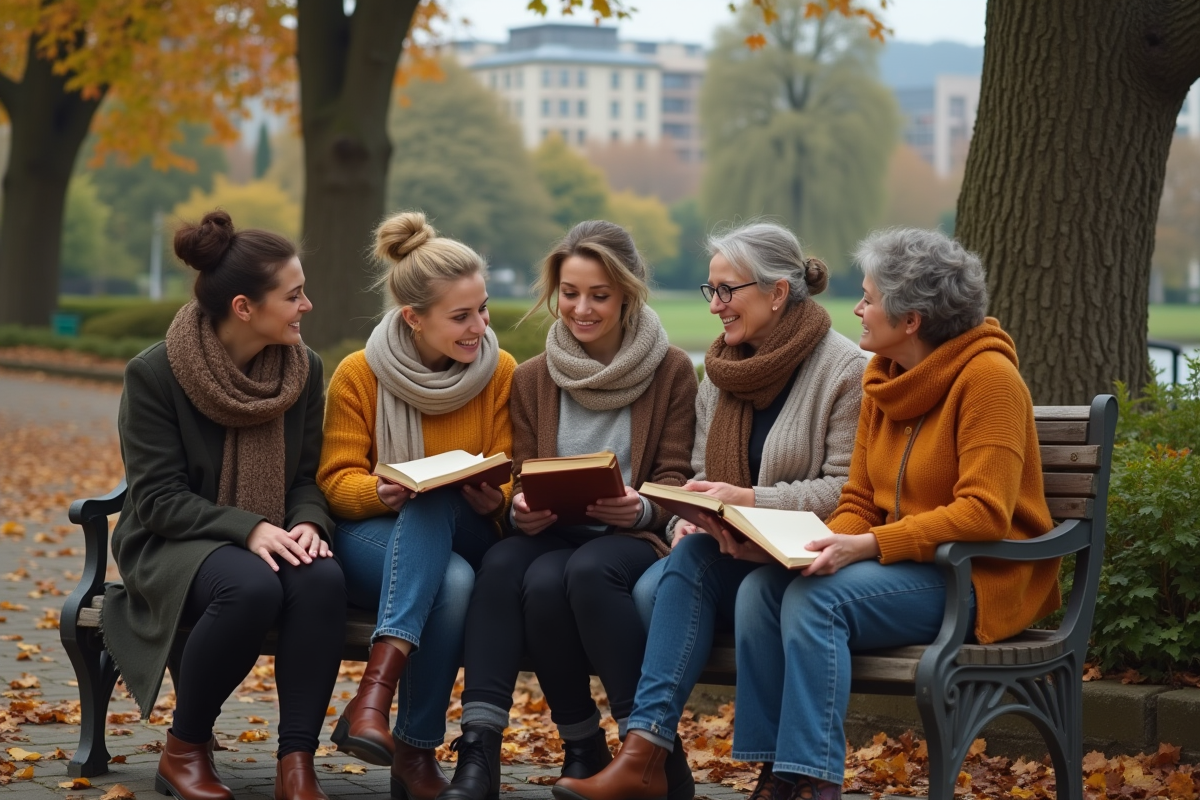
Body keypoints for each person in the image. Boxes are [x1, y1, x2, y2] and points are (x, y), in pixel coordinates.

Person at [727, 228, 1058, 800]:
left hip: (976, 575)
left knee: (816, 601)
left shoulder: (990, 382)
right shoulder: (883, 379)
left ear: (911, 319)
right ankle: (775, 771)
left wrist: (869, 546)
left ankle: (812, 782)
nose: (857, 308)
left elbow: (984, 514)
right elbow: (858, 501)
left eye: (869, 298)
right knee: (763, 589)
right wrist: (813, 547)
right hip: (901, 568)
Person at [553, 221, 866, 800]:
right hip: (731, 548)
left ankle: (666, 761)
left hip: (804, 556)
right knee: (686, 555)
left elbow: (846, 491)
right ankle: (646, 753)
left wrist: (750, 502)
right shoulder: (720, 370)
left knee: (693, 582)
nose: (717, 305)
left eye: (728, 290)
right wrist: (687, 518)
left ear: (776, 292)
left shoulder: (844, 370)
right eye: (711, 290)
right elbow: (698, 477)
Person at [439, 220, 698, 800]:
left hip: (629, 538)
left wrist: (639, 510)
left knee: (584, 571)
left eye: (599, 295)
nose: (581, 309)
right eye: (570, 293)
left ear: (627, 293)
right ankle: (486, 752)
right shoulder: (533, 378)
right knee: (508, 565)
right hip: (554, 535)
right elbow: (523, 476)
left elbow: (676, 478)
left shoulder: (672, 370)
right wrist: (518, 511)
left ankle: (653, 752)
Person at [104, 210, 345, 800]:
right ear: (244, 307)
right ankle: (184, 748)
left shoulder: (303, 371)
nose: (306, 306)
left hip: (259, 531)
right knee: (252, 588)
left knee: (321, 580)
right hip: (170, 540)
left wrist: (309, 521)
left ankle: (296, 762)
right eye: (293, 296)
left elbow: (306, 477)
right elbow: (157, 499)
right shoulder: (155, 374)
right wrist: (249, 528)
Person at [317, 211, 515, 800]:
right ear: (413, 318)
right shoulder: (360, 375)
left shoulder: (499, 372)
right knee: (448, 582)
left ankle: (371, 698)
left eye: (482, 309)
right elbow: (334, 482)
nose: (478, 325)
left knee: (437, 512)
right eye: (460, 316)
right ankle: (415, 754)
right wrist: (378, 490)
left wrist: (494, 495)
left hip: (472, 528)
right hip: (375, 532)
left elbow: (511, 471)